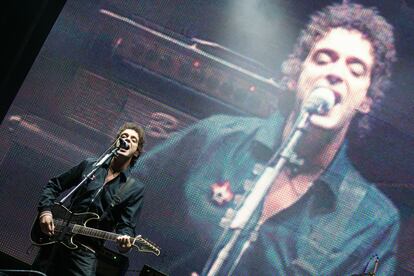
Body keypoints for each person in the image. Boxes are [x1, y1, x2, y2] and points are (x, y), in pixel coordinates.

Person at [135, 3, 400, 276]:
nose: (336, 73)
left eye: (355, 69)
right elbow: (110, 204)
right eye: (323, 59)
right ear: (295, 78)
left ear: (366, 100)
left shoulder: (372, 220)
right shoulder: (216, 138)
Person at [32, 123, 145, 275]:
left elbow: (127, 225)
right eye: (123, 137)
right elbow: (54, 185)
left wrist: (126, 242)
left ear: (136, 152)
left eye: (133, 139)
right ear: (115, 143)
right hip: (55, 241)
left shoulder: (134, 188)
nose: (127, 140)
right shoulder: (90, 165)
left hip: (85, 251)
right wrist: (45, 211)